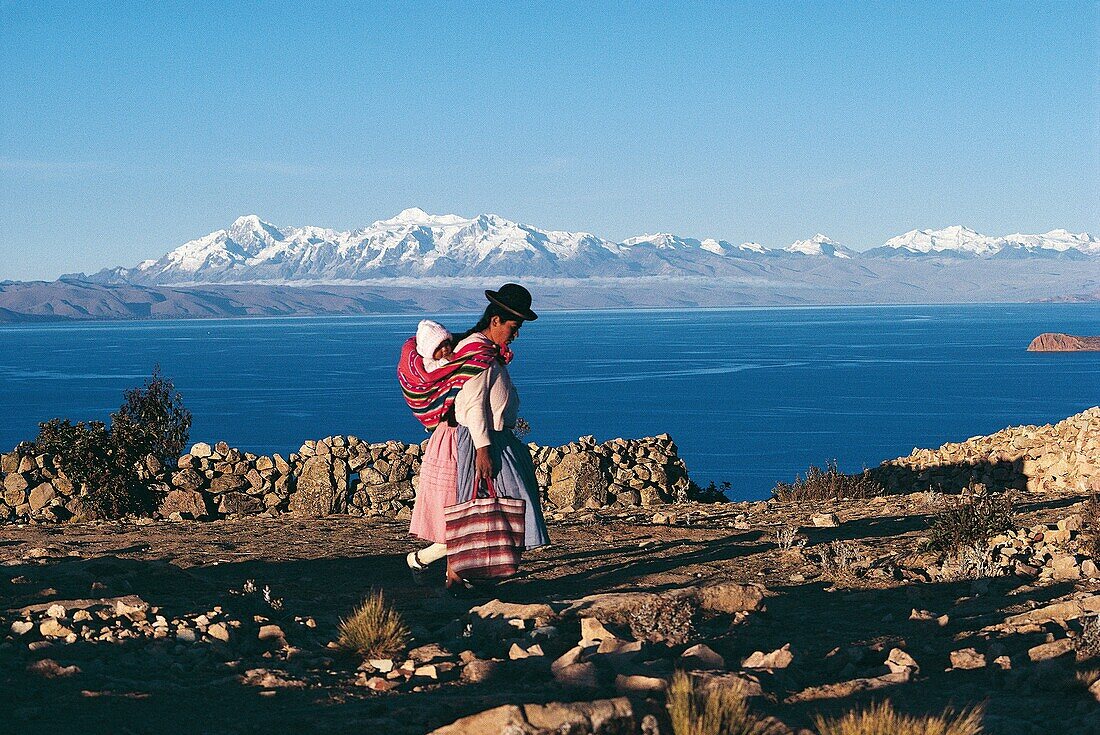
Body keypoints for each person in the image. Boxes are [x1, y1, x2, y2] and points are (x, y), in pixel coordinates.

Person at [399, 284, 549, 594]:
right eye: (513, 326)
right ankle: (453, 573)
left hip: (488, 438)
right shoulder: (478, 354)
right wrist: (483, 450)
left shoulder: (482, 351)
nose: (516, 334)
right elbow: (473, 405)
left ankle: (453, 574)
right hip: (476, 440)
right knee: (479, 507)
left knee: (477, 507)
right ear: (495, 320)